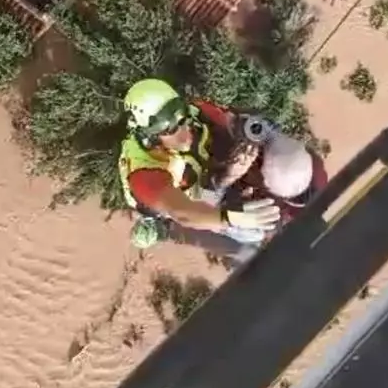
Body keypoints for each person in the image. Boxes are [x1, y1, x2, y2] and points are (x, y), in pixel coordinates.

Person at [117, 78, 326, 264]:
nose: (183, 132)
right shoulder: (145, 172)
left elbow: (231, 121)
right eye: (169, 129)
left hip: (212, 172)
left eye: (182, 118)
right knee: (246, 240)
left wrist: (254, 135)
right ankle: (163, 230)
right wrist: (227, 214)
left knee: (286, 168)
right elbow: (184, 212)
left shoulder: (195, 112)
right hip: (191, 202)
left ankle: (293, 210)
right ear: (148, 135)